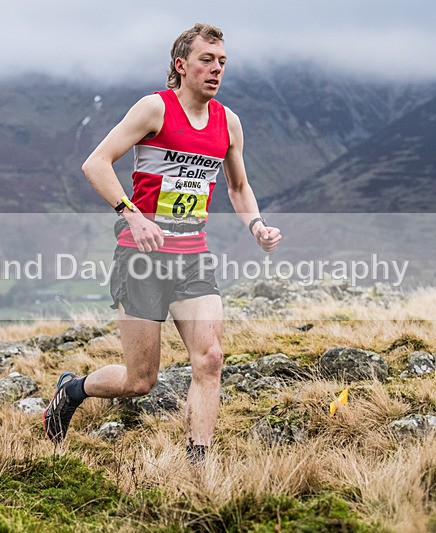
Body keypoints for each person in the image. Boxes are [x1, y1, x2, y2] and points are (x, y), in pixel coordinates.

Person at [43, 22, 281, 463]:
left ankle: (197, 465)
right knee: (140, 381)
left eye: (222, 62)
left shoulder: (228, 123)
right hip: (142, 257)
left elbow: (238, 187)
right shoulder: (154, 109)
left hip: (192, 256)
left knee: (210, 359)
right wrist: (132, 216)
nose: (216, 70)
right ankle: (72, 390)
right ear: (181, 65)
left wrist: (257, 226)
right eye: (206, 60)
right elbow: (95, 164)